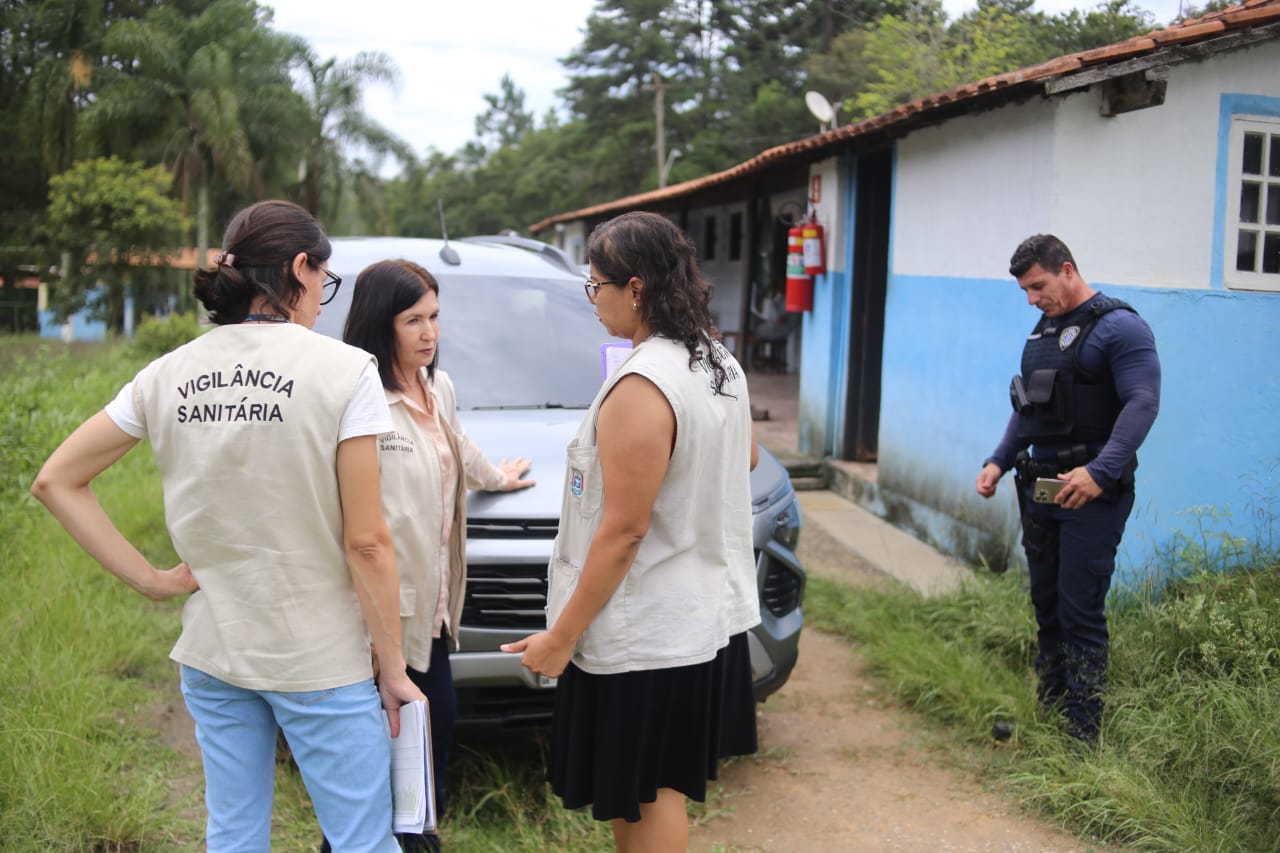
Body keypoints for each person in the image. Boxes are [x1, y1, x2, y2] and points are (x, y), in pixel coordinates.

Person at [31, 200, 424, 852]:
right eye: (323, 283)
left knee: (235, 835)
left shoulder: (167, 371)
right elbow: (367, 539)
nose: (322, 302)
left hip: (216, 648)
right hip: (319, 658)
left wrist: (154, 581)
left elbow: (56, 479)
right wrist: (392, 665)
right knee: (362, 841)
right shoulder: (345, 369)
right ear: (300, 267)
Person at [502, 211, 761, 852]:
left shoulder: (644, 384)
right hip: (700, 620)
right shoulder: (718, 363)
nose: (592, 302)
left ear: (636, 288)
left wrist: (560, 639)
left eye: (596, 286)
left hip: (645, 632)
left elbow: (622, 531)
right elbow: (746, 456)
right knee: (661, 787)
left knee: (642, 801)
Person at [337, 258, 535, 852]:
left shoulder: (436, 387)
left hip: (431, 615)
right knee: (373, 772)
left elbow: (454, 447)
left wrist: (497, 478)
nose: (430, 333)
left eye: (435, 317)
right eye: (413, 320)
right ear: (381, 323)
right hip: (377, 620)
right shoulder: (360, 397)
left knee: (426, 757)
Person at [975, 234, 1160, 743]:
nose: (1032, 299)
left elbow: (1142, 402)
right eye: (1026, 292)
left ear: (1068, 270)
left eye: (1038, 286)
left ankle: (1083, 735)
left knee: (1080, 610)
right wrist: (1000, 459)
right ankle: (1052, 711)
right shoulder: (1043, 332)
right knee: (1047, 606)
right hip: (1044, 489)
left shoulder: (1120, 328)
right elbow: (1027, 412)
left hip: (1091, 493)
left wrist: (1100, 472)